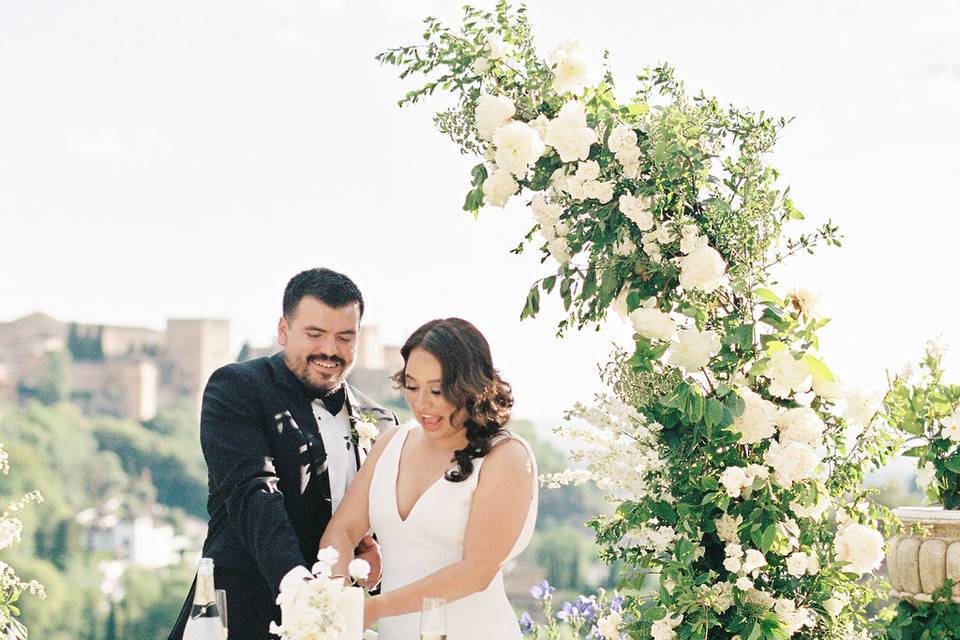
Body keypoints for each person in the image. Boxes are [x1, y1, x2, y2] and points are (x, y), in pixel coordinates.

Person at [169, 268, 397, 640]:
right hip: (241, 620)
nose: (330, 350)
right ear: (283, 330)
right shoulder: (238, 388)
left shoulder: (382, 422)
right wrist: (298, 586)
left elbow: (381, 525)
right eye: (315, 334)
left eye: (345, 337)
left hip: (341, 626)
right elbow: (253, 493)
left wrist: (378, 562)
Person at [319, 318, 538, 639]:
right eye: (411, 386)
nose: (422, 403)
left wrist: (374, 609)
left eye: (436, 390)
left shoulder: (505, 457)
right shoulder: (391, 443)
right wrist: (338, 597)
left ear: (470, 387)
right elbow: (342, 529)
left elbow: (476, 571)